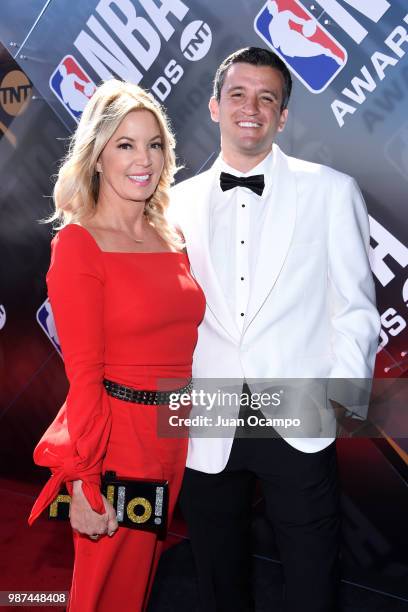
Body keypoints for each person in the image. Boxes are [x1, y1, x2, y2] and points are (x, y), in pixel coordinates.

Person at [169, 47, 380, 611]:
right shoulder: (174, 204)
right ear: (214, 107)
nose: (251, 108)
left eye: (267, 98)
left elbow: (357, 305)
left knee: (312, 573)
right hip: (207, 410)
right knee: (216, 571)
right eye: (237, 94)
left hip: (298, 405)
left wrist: (343, 397)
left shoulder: (332, 190)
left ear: (283, 117)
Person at [28, 79, 205, 612]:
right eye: (125, 144)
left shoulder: (170, 236)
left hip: (172, 434)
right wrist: (83, 479)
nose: (143, 158)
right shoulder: (80, 244)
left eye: (154, 144)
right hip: (118, 442)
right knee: (106, 590)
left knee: (140, 580)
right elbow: (83, 374)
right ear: (97, 156)